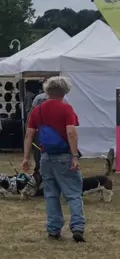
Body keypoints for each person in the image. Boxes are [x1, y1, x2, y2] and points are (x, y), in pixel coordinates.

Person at [22, 76, 85, 242]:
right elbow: (71, 132)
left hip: (46, 156)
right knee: (73, 193)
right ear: (64, 92)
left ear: (47, 90)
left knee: (50, 194)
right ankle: (77, 226)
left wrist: (26, 157)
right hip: (64, 155)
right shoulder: (66, 109)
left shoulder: (38, 110)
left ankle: (53, 229)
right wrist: (74, 156)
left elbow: (29, 134)